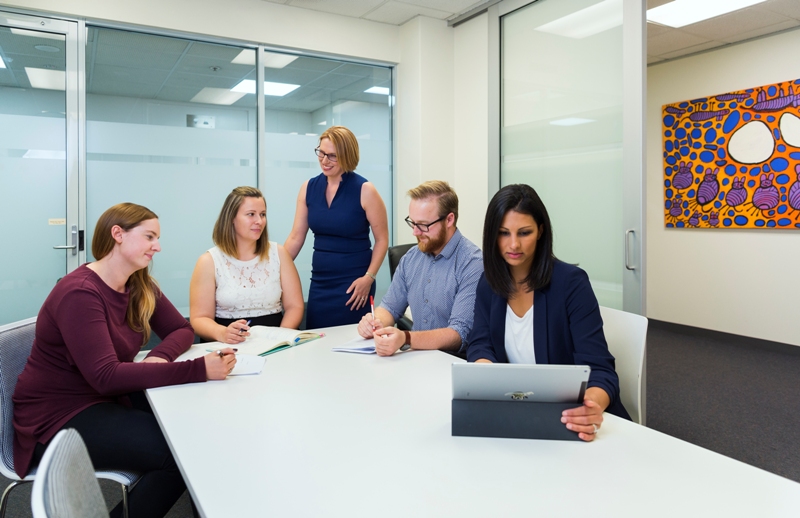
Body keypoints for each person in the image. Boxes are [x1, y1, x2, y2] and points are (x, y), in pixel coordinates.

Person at [13, 203, 236, 518]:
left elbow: (180, 329)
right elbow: (105, 376)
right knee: (181, 453)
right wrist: (197, 369)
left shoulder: (138, 283)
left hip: (104, 397)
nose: (157, 247)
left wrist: (159, 357)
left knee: (194, 428)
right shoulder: (80, 293)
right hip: (58, 416)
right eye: (149, 237)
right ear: (117, 234)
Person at [466, 184, 630, 442]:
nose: (514, 244)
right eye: (503, 233)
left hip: (568, 421)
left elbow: (600, 369)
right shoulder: (489, 283)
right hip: (516, 417)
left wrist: (591, 406)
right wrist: (487, 374)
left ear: (541, 231)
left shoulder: (571, 284)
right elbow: (479, 344)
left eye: (524, 232)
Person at [357, 181, 483, 356]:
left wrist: (406, 338)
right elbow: (390, 307)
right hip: (416, 360)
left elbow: (458, 334)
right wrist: (375, 321)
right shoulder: (411, 258)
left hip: (452, 364)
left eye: (423, 225)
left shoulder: (472, 264)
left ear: (449, 219)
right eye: (412, 223)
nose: (415, 232)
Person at [284, 126, 389, 328]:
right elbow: (296, 237)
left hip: (355, 285)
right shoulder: (308, 188)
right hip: (320, 283)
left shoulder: (365, 190)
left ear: (347, 156)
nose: (324, 161)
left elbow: (382, 239)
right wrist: (274, 270)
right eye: (321, 153)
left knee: (352, 342)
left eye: (332, 156)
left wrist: (369, 278)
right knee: (317, 341)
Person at [190, 186, 304, 343]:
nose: (259, 221)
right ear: (231, 218)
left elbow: (295, 307)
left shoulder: (279, 253)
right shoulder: (209, 261)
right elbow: (199, 318)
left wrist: (280, 337)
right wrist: (222, 333)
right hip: (227, 342)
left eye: (262, 214)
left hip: (277, 338)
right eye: (251, 214)